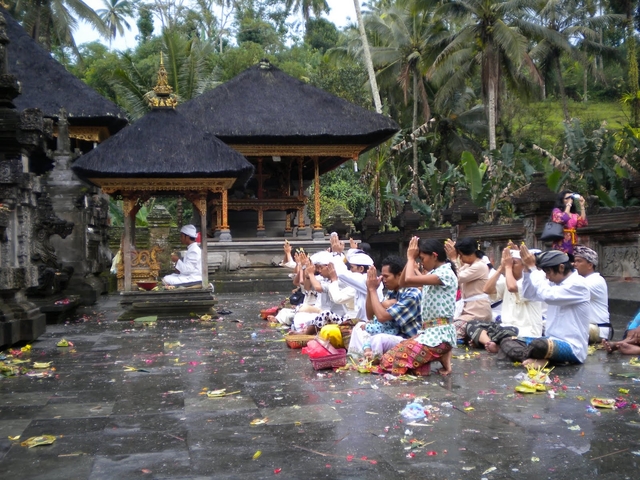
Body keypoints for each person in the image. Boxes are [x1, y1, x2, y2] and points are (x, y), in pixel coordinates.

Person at [500, 247, 591, 368]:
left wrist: (533, 268)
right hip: (549, 338)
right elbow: (529, 294)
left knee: (540, 345)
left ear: (561, 268)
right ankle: (543, 359)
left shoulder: (578, 284)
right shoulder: (553, 283)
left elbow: (548, 296)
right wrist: (527, 270)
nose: (547, 277)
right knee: (508, 341)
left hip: (571, 346)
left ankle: (540, 358)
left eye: (548, 272)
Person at [380, 237, 458, 376]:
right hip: (428, 334)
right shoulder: (434, 273)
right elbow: (403, 282)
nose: (421, 262)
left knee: (391, 361)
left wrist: (410, 258)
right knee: (388, 356)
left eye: (422, 258)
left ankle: (429, 362)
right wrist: (410, 258)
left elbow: (409, 279)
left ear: (434, 256)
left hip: (439, 337)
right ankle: (427, 363)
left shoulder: (445, 273)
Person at [466, 246, 544, 352]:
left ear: (523, 265)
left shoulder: (529, 282)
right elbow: (486, 289)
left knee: (506, 332)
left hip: (525, 331)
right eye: (509, 263)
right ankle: (490, 343)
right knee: (472, 324)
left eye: (514, 263)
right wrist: (500, 268)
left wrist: (507, 267)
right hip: (505, 326)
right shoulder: (507, 280)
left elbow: (512, 288)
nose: (510, 266)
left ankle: (488, 342)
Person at [347, 256, 422, 359]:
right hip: (392, 336)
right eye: (382, 277)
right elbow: (371, 315)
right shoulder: (392, 292)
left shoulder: (412, 293)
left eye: (386, 276)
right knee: (359, 327)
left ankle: (373, 360)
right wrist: (369, 288)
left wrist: (373, 290)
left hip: (410, 341)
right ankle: (361, 357)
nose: (384, 280)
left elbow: (382, 317)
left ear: (399, 275)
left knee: (379, 338)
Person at [445, 237, 492, 340]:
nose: (460, 259)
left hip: (477, 312)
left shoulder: (480, 266)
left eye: (461, 255)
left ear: (470, 254)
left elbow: (456, 278)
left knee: (450, 332)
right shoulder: (469, 265)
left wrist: (453, 259)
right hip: (468, 311)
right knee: (445, 328)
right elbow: (454, 274)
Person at [573, 245, 611, 342]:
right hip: (586, 328)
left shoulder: (596, 280)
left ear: (590, 265)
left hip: (597, 329)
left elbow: (570, 291)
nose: (574, 264)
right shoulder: (582, 280)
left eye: (579, 261)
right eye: (575, 261)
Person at [551, 190, 587, 254]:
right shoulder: (556, 211)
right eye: (567, 198)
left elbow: (583, 223)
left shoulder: (574, 214)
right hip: (561, 241)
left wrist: (582, 206)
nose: (570, 199)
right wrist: (568, 204)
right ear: (562, 200)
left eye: (571, 198)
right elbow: (563, 218)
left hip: (573, 242)